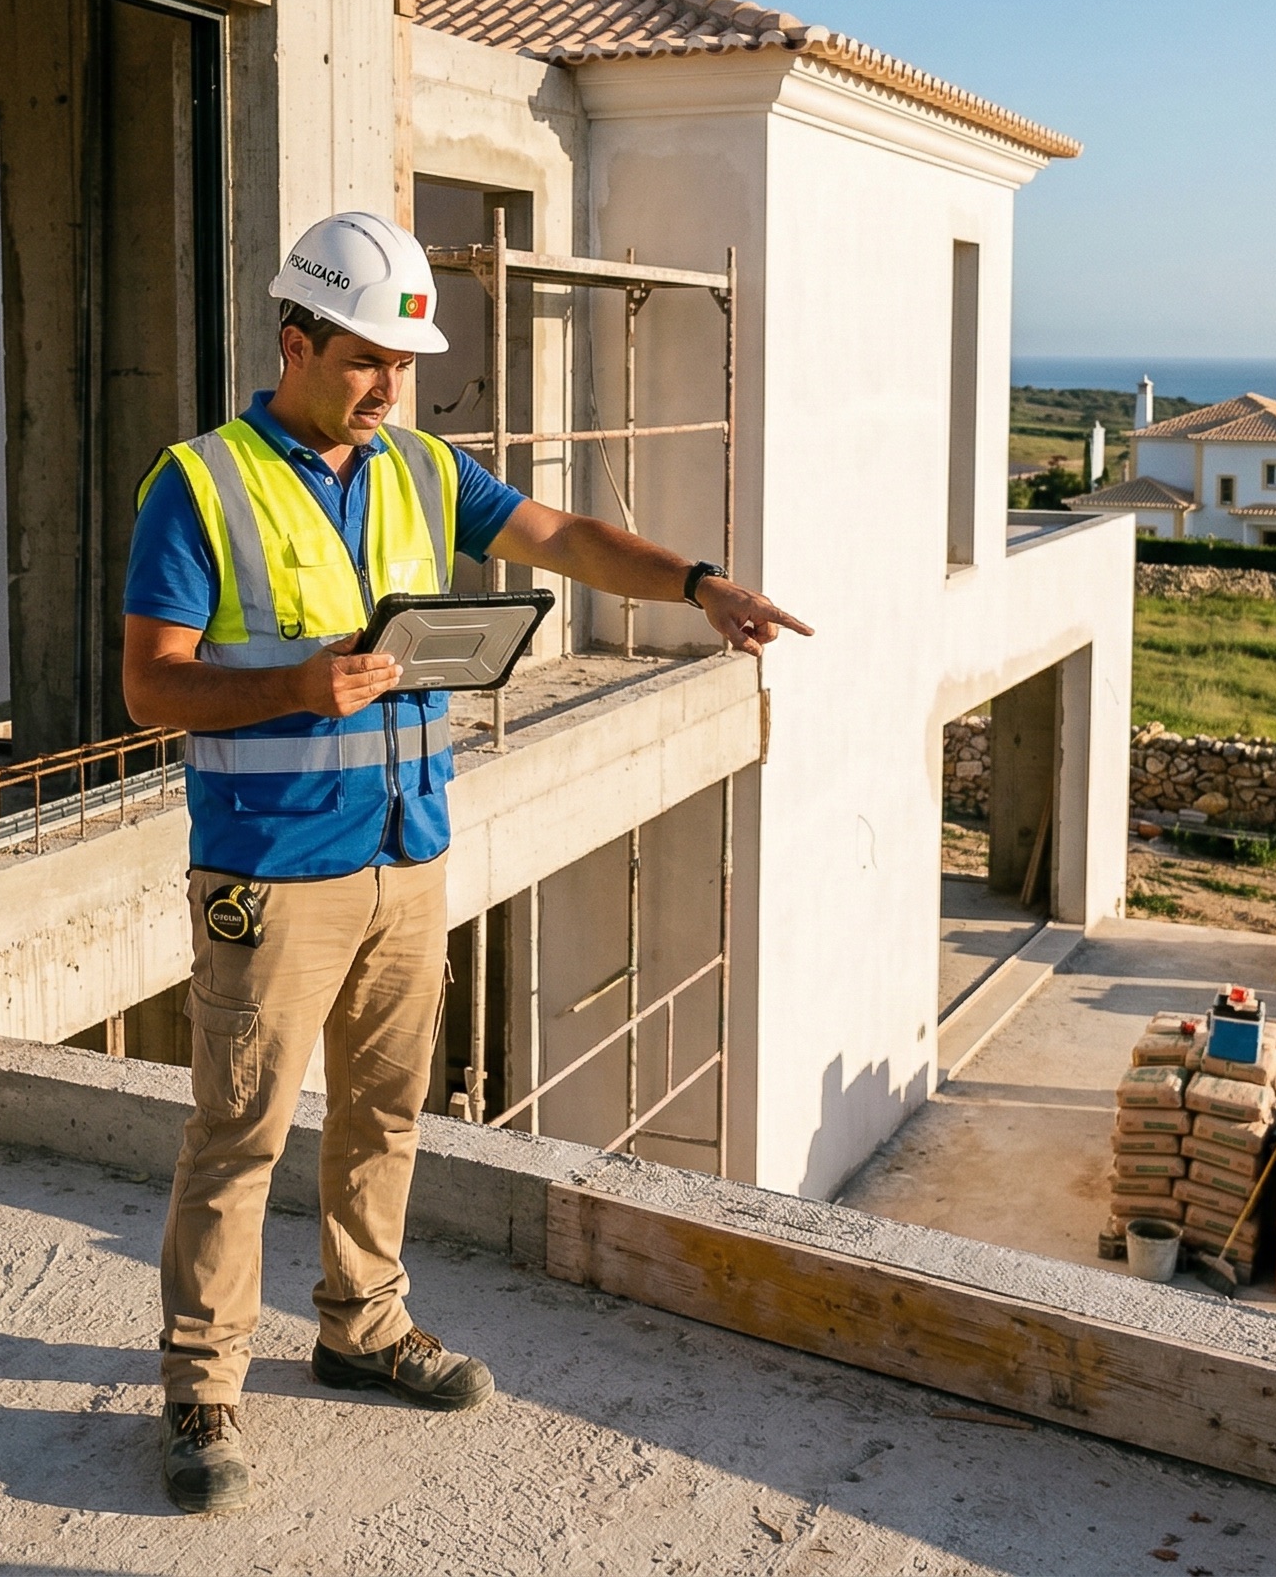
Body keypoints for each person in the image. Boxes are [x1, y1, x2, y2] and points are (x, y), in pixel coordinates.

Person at [122, 209, 811, 1516]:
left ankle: (361, 1327)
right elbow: (150, 686)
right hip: (269, 873)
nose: (389, 389)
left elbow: (560, 539)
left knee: (386, 1116)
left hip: (407, 852)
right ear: (296, 338)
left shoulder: (424, 470)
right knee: (238, 1133)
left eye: (406, 366)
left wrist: (701, 581)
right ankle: (202, 1385)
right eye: (366, 361)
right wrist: (296, 687)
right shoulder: (199, 484)